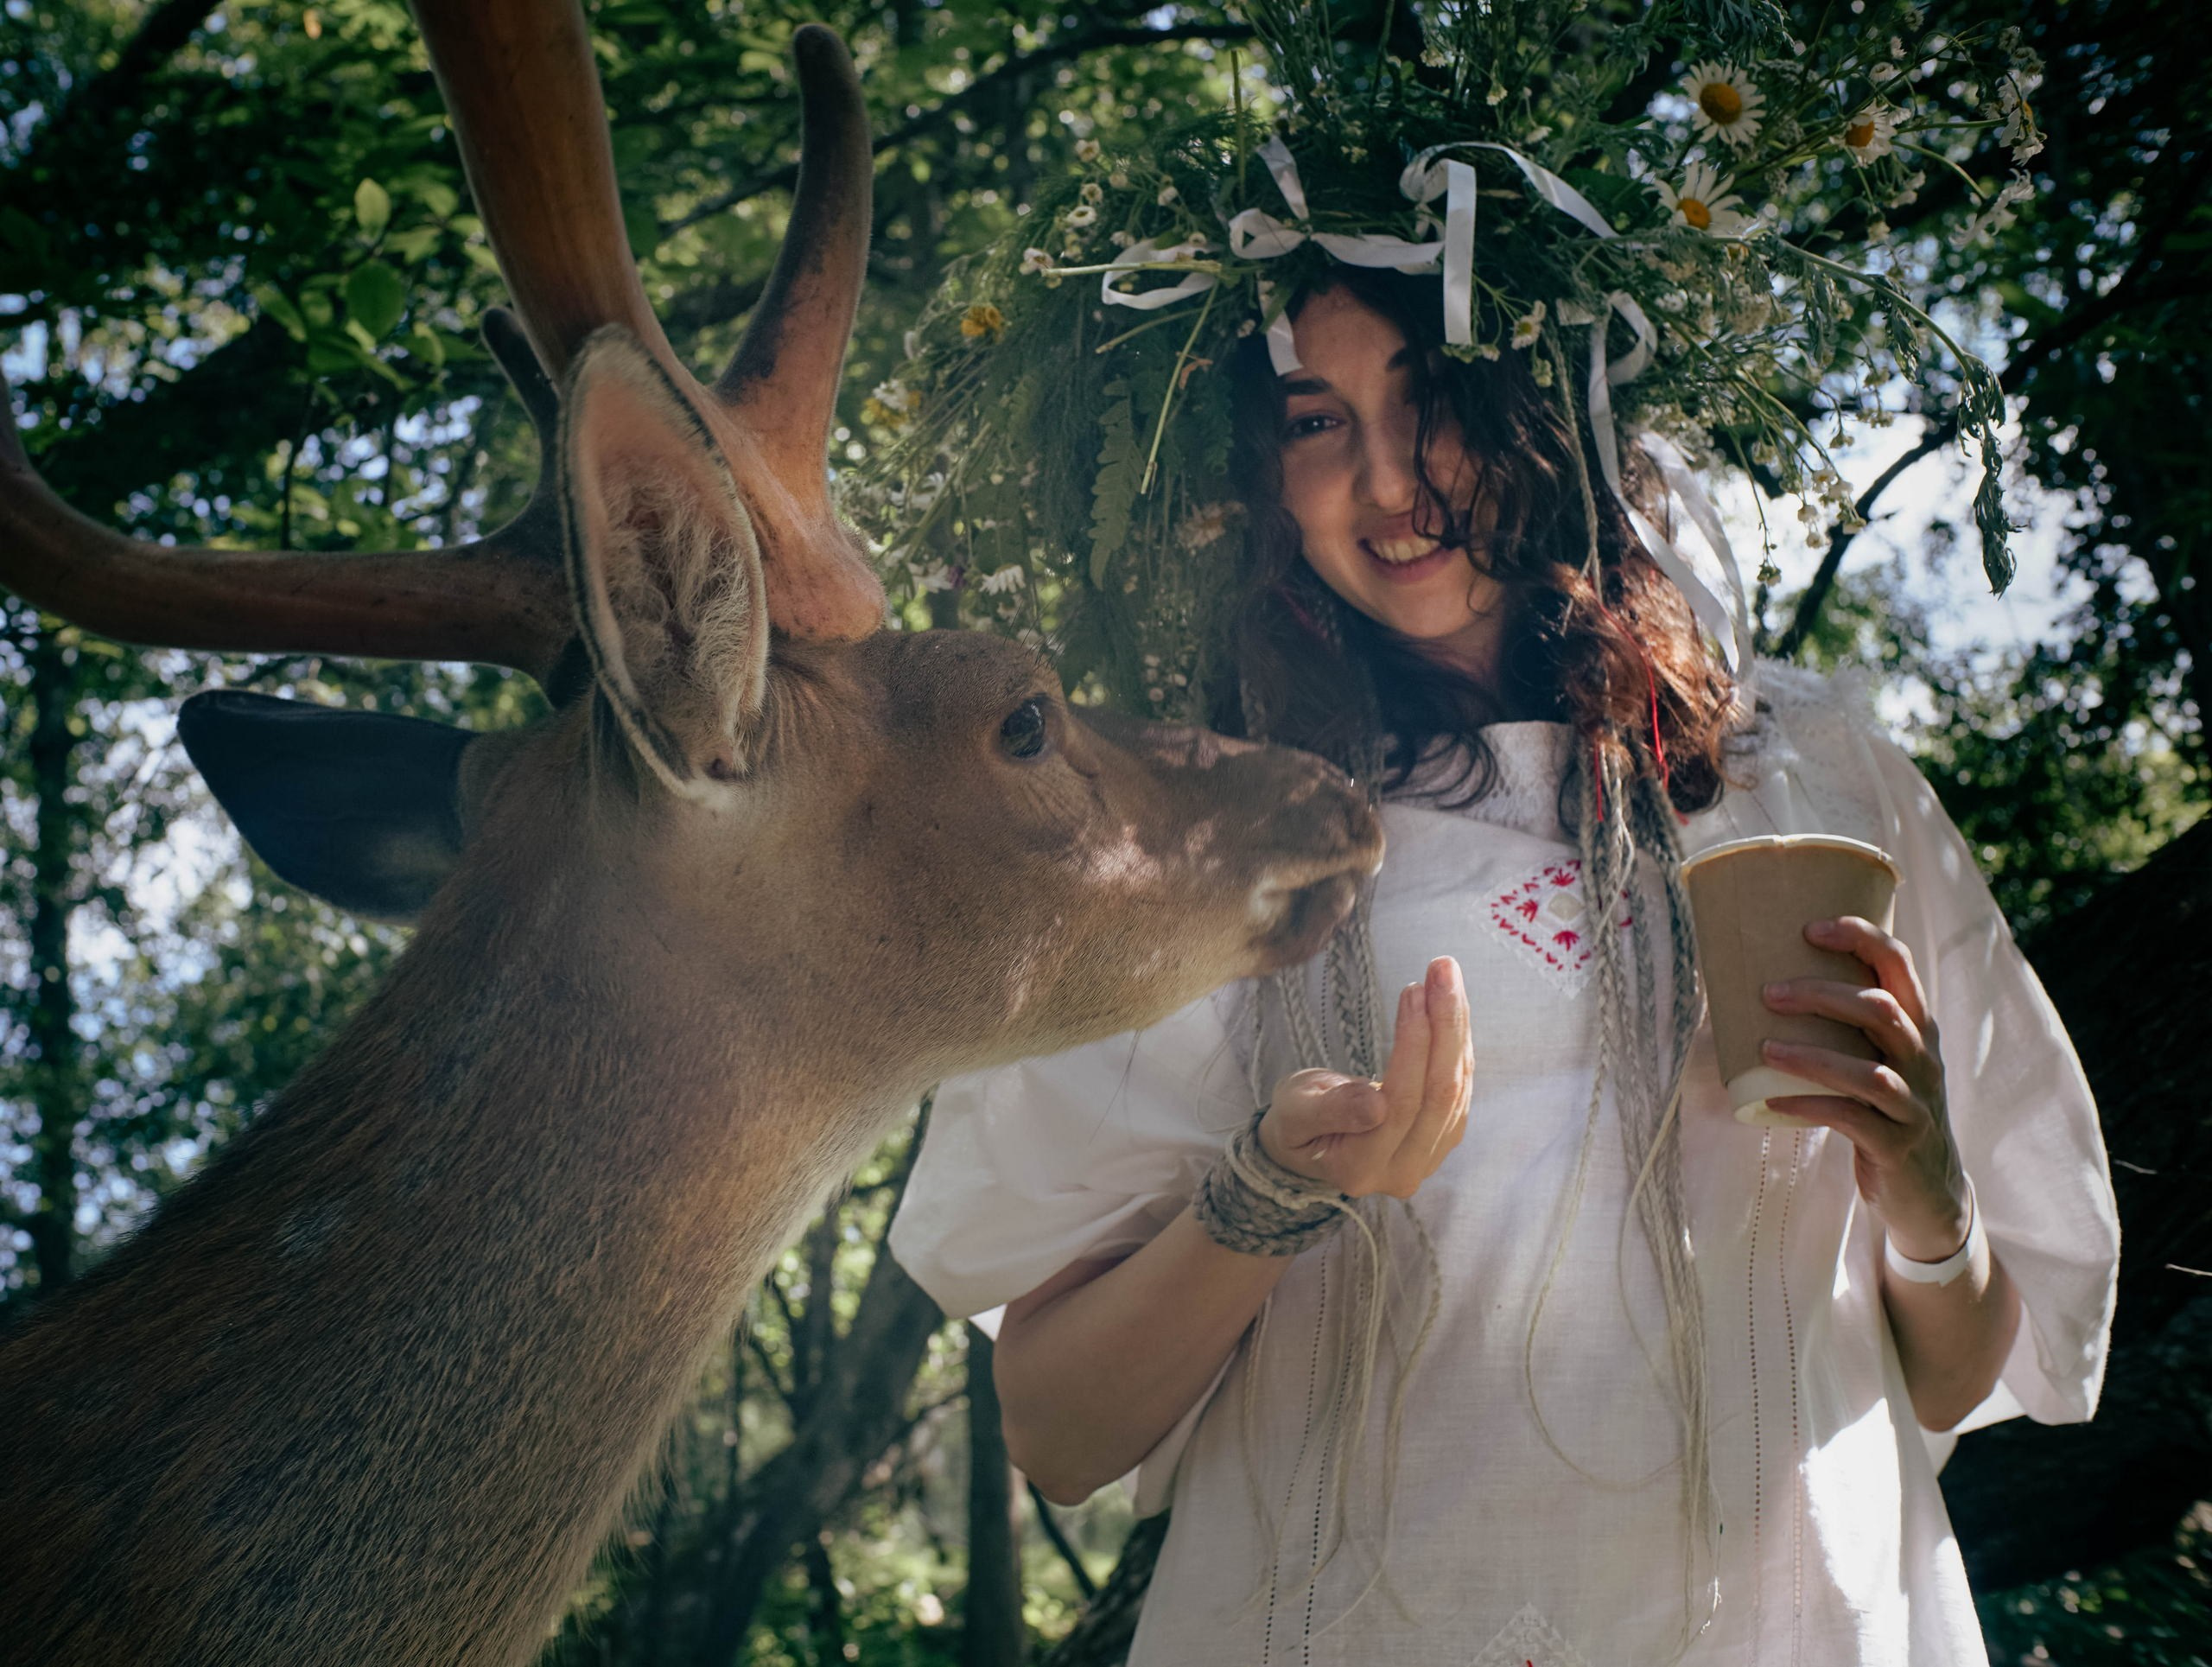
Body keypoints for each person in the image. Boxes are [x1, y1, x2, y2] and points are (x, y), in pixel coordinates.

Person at [874, 12, 2116, 1662]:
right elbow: (1058, 1424)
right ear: (1258, 473)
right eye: (1317, 421)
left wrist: (1929, 1184)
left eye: (1434, 394)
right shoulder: (1202, 834)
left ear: (1549, 400)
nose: (1391, 483)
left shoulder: (1809, 768)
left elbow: (1954, 1373)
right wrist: (1264, 1193)